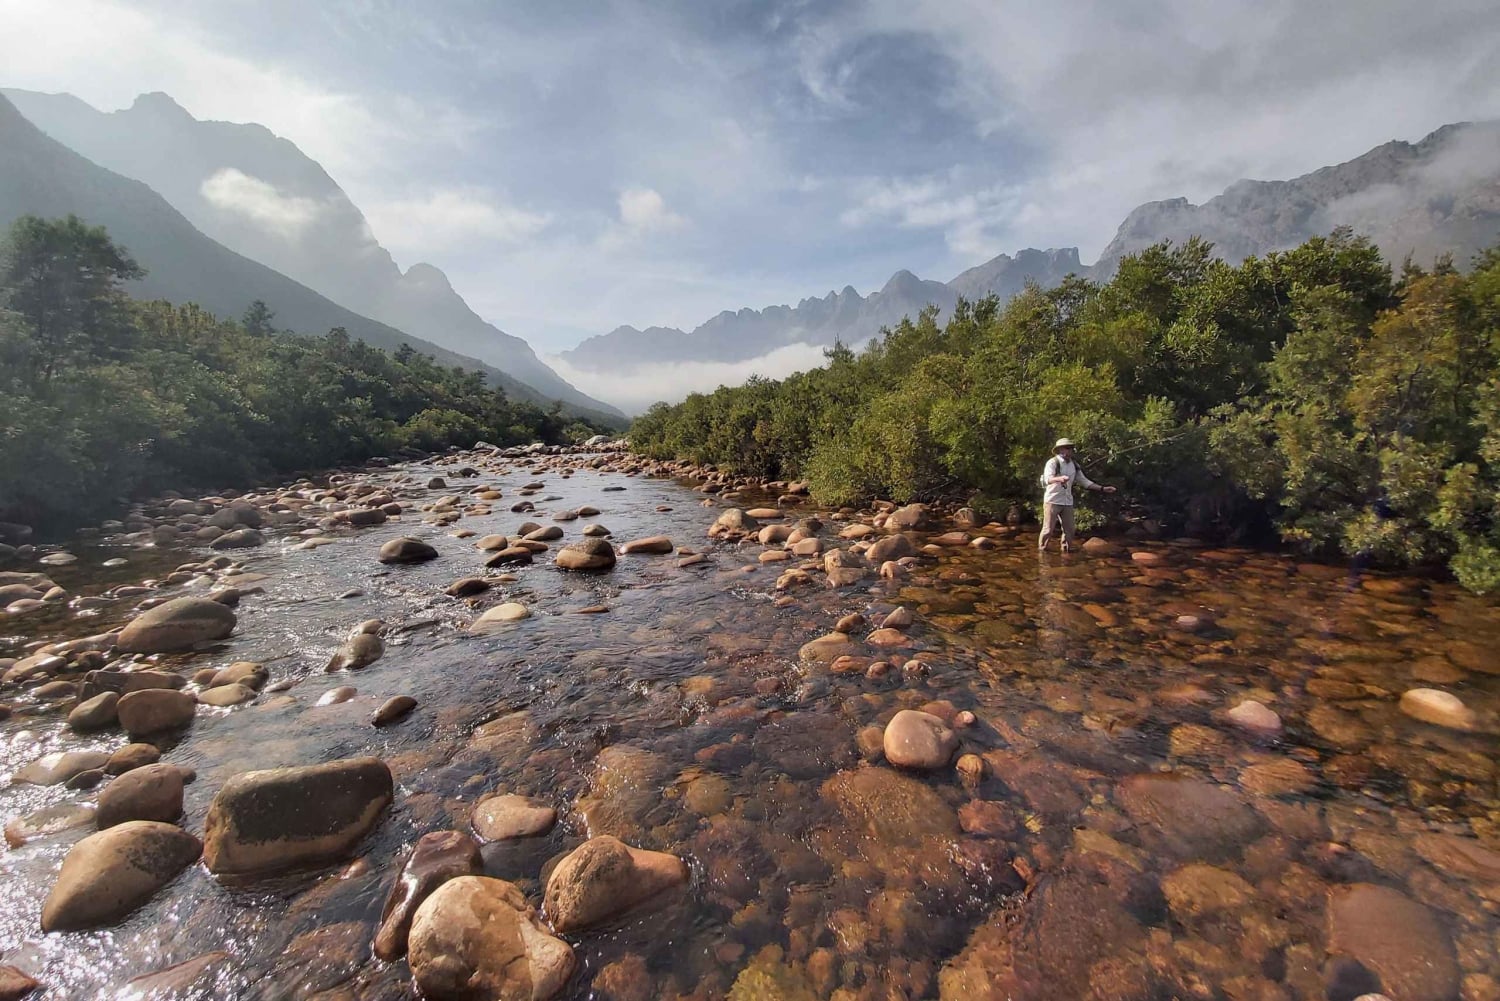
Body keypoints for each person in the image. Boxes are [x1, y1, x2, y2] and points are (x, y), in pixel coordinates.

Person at [1039, 438, 1114, 552]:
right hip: (1052, 500)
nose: (1070, 450)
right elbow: (1047, 479)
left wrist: (1103, 488)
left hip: (1067, 502)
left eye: (1071, 448)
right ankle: (1042, 551)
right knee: (1048, 529)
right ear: (1060, 449)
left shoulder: (1074, 465)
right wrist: (1059, 478)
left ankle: (1066, 551)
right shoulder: (1052, 462)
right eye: (1067, 448)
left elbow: (1084, 482)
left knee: (1070, 530)